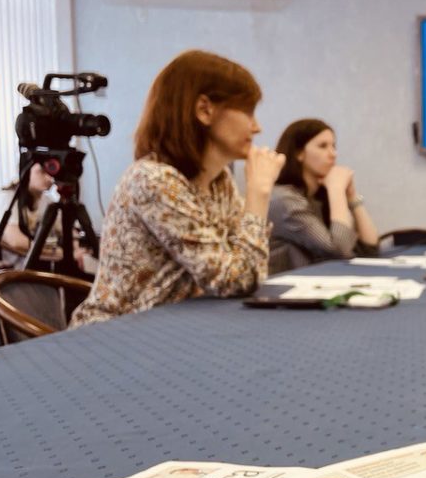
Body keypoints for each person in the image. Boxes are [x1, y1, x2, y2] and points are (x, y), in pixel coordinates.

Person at [70, 51, 281, 327]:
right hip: (116, 333)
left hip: (174, 328)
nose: (257, 127)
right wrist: (259, 193)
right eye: (248, 112)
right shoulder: (153, 180)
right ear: (204, 110)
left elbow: (248, 272)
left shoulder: (220, 182)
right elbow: (236, 280)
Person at [268, 119, 378, 272]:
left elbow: (370, 250)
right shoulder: (284, 200)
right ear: (299, 153)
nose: (333, 154)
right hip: (283, 285)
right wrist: (337, 189)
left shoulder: (317, 196)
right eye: (323, 146)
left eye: (334, 146)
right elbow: (340, 251)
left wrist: (352, 197)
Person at [0, 163, 89, 270]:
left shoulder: (46, 201)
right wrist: (61, 253)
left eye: (51, 172)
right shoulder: (9, 198)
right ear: (26, 171)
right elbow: (16, 241)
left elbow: (68, 230)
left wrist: (76, 249)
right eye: (42, 172)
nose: (49, 178)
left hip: (42, 265)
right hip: (15, 269)